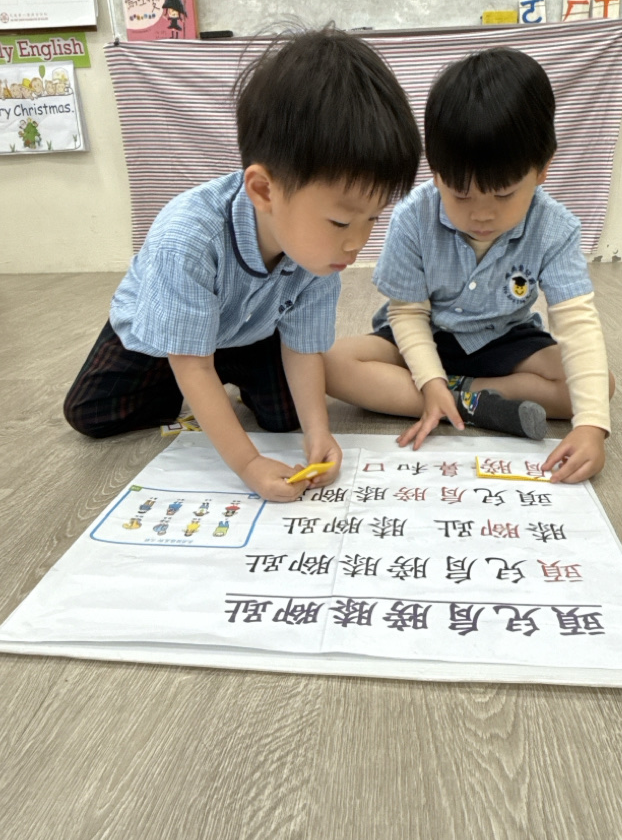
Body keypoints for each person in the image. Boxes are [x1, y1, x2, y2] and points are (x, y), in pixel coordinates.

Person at [63, 28, 422, 501]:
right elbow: (193, 365)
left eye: (372, 218)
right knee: (92, 413)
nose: (357, 242)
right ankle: (194, 384)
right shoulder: (187, 237)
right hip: (163, 334)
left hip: (250, 329)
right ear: (264, 190)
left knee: (286, 417)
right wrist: (248, 463)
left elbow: (302, 348)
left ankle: (220, 380)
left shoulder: (321, 253)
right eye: (339, 221)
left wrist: (319, 432)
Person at [324, 46, 614, 484]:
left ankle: (461, 398)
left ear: (542, 170)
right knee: (330, 362)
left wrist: (591, 426)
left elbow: (576, 322)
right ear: (435, 172)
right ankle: (466, 401)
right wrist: (429, 379)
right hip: (426, 334)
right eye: (460, 195)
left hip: (504, 337)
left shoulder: (555, 228)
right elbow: (408, 313)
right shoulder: (412, 217)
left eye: (503, 195)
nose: (481, 214)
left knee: (599, 387)